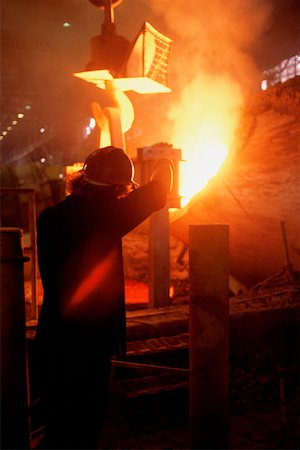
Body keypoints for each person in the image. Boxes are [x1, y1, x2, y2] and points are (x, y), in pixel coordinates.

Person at [34, 146, 173, 449]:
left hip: (52, 340)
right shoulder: (108, 217)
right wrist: (163, 158)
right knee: (84, 430)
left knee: (57, 428)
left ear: (81, 180)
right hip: (89, 346)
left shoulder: (48, 219)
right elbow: (159, 189)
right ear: (119, 190)